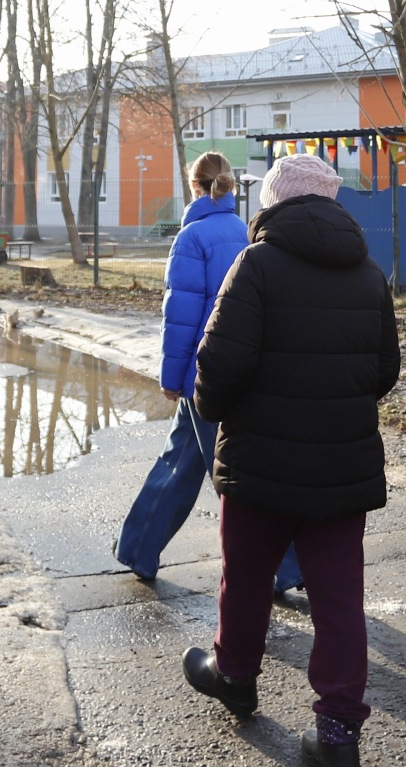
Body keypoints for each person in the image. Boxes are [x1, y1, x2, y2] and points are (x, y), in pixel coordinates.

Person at [181, 153, 400, 767]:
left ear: (273, 202)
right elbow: (384, 372)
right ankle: (338, 742)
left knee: (245, 578)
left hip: (261, 462)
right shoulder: (368, 274)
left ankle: (237, 679)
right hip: (340, 465)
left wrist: (214, 412)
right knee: (339, 602)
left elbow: (217, 366)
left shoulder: (257, 265)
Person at [115, 152, 303, 592]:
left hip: (205, 375)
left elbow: (182, 317)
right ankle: (139, 549)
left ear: (194, 186)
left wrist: (170, 378)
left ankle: (290, 566)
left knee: (233, 479)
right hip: (239, 370)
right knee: (179, 460)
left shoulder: (191, 238)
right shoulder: (246, 231)